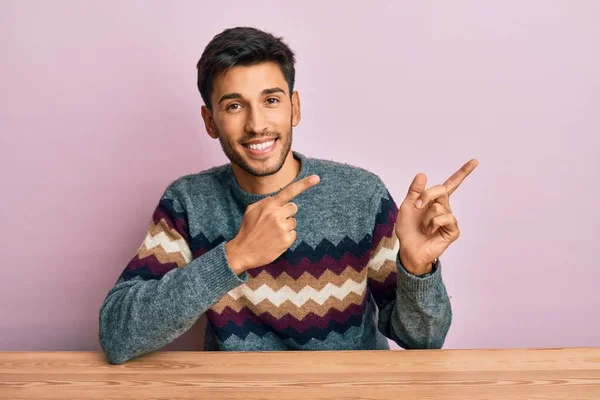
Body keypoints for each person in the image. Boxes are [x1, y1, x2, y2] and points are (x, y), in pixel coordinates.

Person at [99, 26, 478, 365]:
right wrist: (235, 256)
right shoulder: (188, 203)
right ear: (210, 121)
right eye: (234, 106)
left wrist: (417, 270)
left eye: (271, 100)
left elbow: (425, 341)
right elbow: (118, 336)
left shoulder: (361, 195)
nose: (256, 123)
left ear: (294, 108)